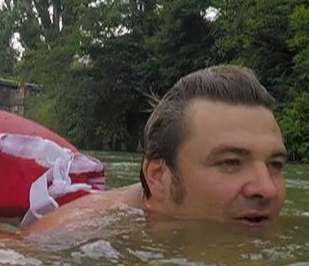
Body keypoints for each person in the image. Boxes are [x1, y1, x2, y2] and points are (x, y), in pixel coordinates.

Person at [23, 64, 287, 238]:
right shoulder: (70, 232)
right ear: (158, 177)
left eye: (275, 164)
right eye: (231, 162)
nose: (267, 189)